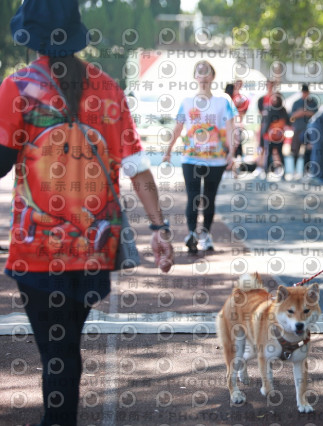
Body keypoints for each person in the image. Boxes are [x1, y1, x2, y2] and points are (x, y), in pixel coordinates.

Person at [0, 1, 174, 425]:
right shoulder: (108, 87)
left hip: (37, 249)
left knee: (55, 356)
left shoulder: (17, 87)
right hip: (93, 249)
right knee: (66, 350)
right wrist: (159, 228)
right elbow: (136, 167)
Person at [163, 60, 237, 253]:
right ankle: (191, 234)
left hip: (216, 159)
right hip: (191, 158)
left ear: (213, 76)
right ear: (195, 77)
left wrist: (232, 153)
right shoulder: (187, 102)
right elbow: (178, 127)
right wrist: (168, 149)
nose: (203, 75)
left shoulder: (223, 101)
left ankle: (206, 234)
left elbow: (230, 128)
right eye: (199, 71)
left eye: (207, 71)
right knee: (193, 196)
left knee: (209, 198)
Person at [289, 84, 319, 178]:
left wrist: (305, 112)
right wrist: (299, 113)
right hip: (298, 129)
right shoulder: (296, 102)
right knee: (295, 151)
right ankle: (294, 171)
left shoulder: (313, 102)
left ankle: (306, 171)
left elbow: (316, 115)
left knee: (308, 150)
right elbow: (291, 117)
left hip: (309, 130)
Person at [261, 91, 290, 178]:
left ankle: (273, 172)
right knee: (271, 154)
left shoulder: (280, 110)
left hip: (277, 136)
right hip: (274, 135)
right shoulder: (276, 109)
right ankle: (267, 171)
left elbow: (287, 122)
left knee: (275, 154)